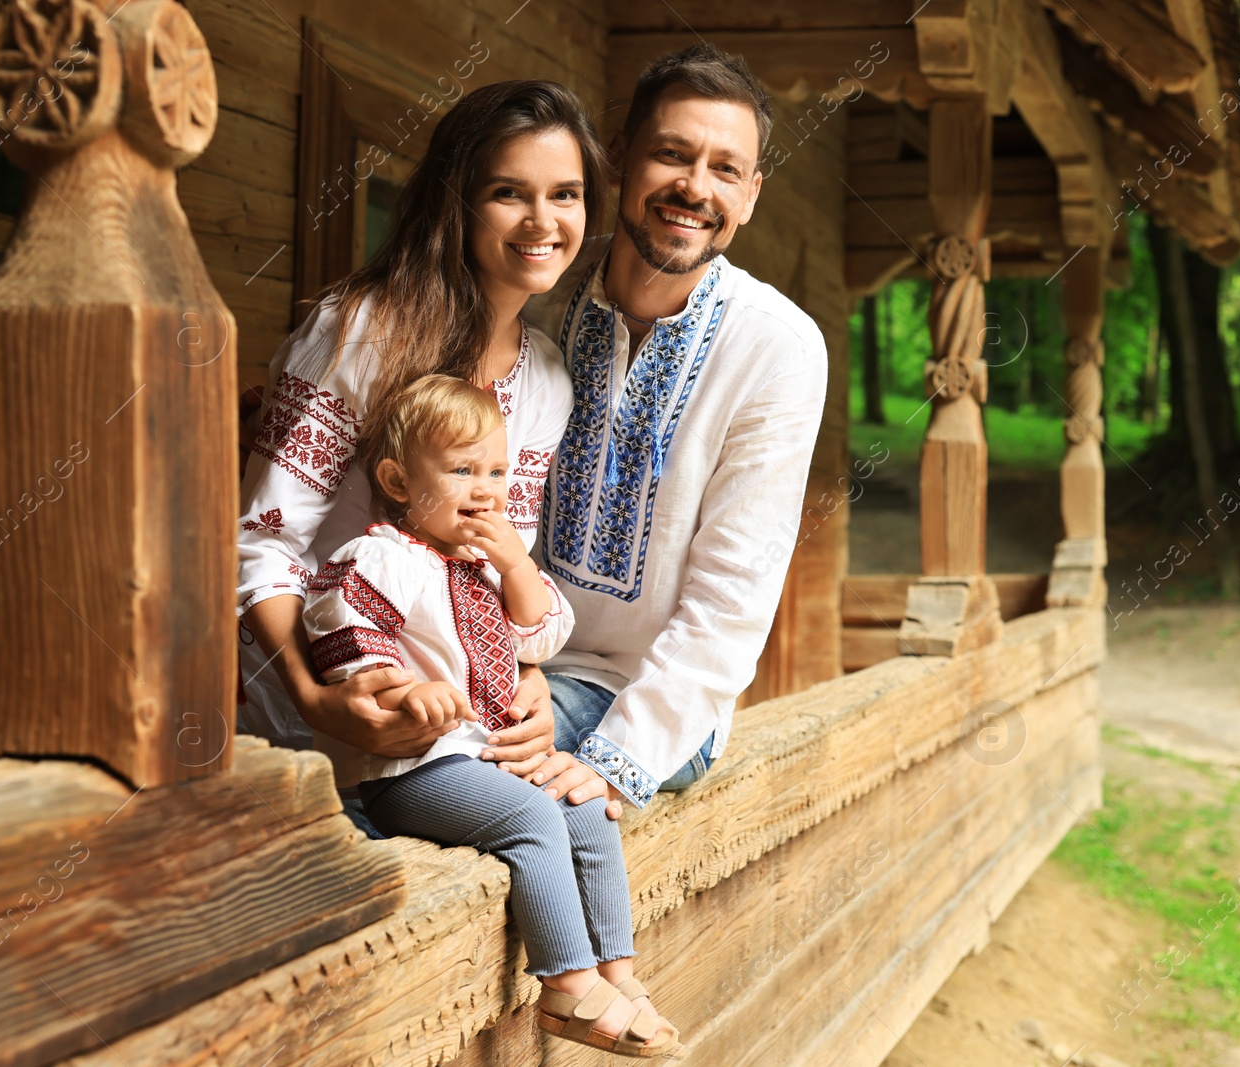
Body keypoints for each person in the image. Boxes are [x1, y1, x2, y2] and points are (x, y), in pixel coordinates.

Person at [482, 44, 829, 814]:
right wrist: (506, 661)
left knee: (456, 769)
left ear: (751, 195)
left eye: (725, 169)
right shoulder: (539, 300)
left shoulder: (778, 346)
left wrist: (620, 756)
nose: (694, 187)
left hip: (653, 701)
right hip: (507, 660)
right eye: (672, 154)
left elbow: (733, 595)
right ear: (618, 162)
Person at [237, 81, 600, 798]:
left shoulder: (549, 378)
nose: (542, 220)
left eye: (566, 194)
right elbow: (264, 542)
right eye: (508, 192)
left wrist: (527, 678)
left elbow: (489, 560)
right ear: (456, 200)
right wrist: (317, 698)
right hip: (310, 720)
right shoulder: (361, 331)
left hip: (451, 736)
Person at [306, 375, 681, 1059]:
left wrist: (514, 564)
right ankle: (566, 987)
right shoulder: (384, 556)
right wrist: (393, 686)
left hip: (478, 759)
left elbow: (541, 640)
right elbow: (338, 621)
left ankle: (616, 971)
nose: (486, 489)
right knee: (533, 818)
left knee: (585, 808)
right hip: (412, 769)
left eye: (497, 471)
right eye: (461, 470)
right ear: (397, 479)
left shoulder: (481, 568)